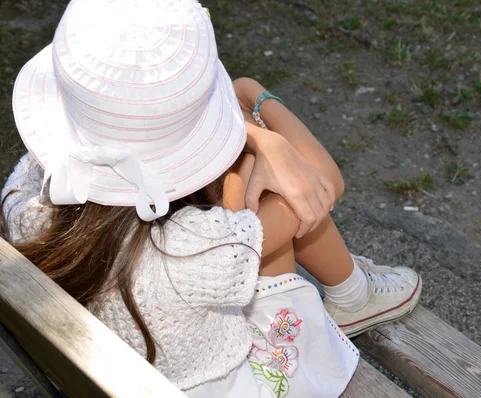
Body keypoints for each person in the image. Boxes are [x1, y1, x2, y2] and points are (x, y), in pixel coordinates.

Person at [1, 0, 421, 396]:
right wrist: (256, 106)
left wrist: (248, 141)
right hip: (228, 382)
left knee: (248, 175)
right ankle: (353, 297)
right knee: (260, 179)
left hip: (126, 368)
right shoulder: (197, 251)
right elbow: (323, 184)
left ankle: (353, 290)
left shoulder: (22, 195)